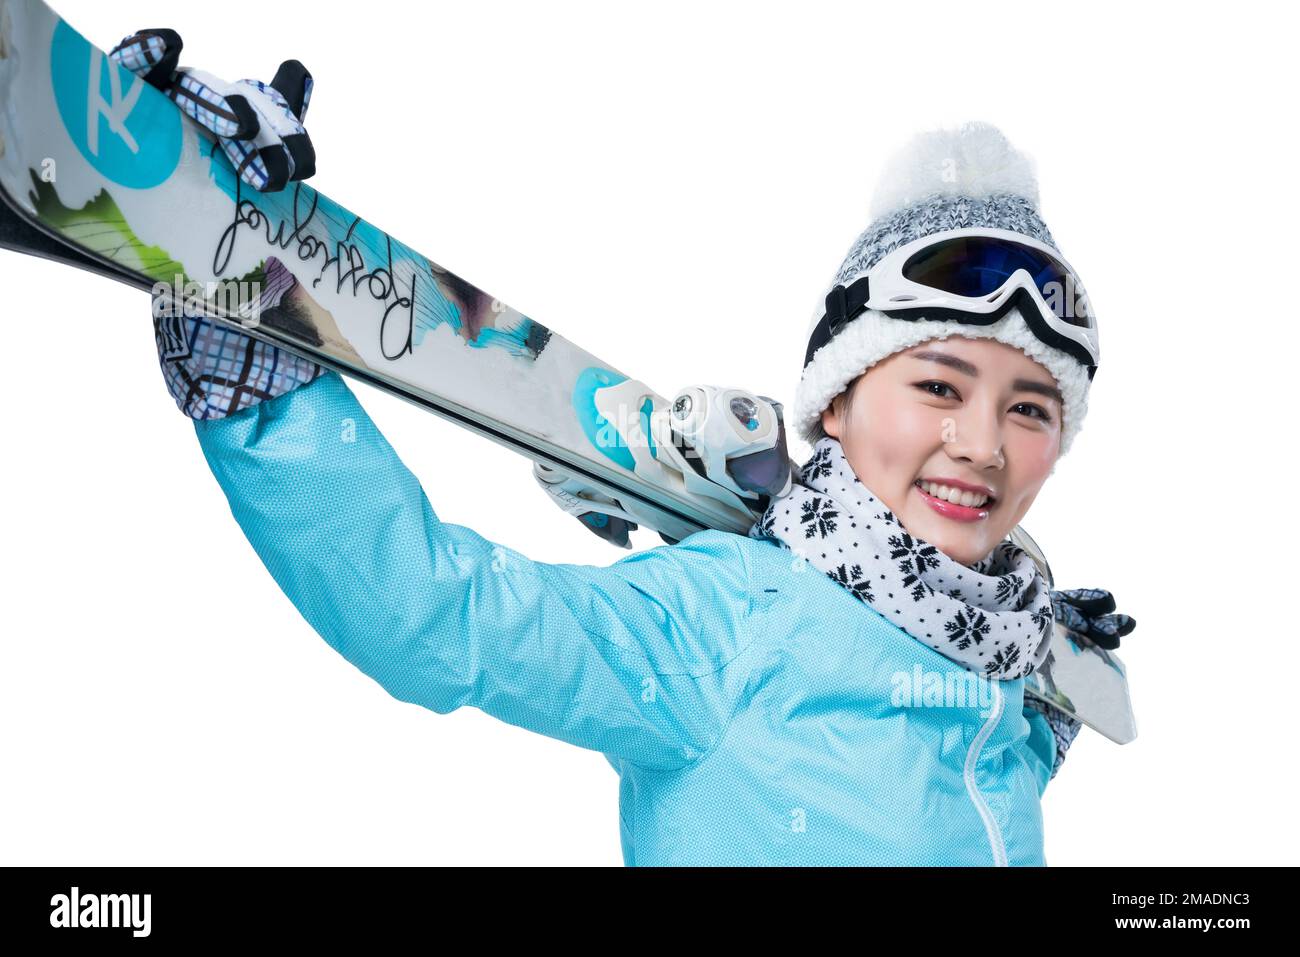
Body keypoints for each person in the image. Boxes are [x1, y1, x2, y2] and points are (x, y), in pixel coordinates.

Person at [114, 30, 1135, 865]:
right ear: (834, 403)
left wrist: (1048, 682)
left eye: (1031, 410)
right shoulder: (725, 627)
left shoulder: (1001, 652)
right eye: (935, 387)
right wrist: (248, 333)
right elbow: (438, 614)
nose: (982, 446)